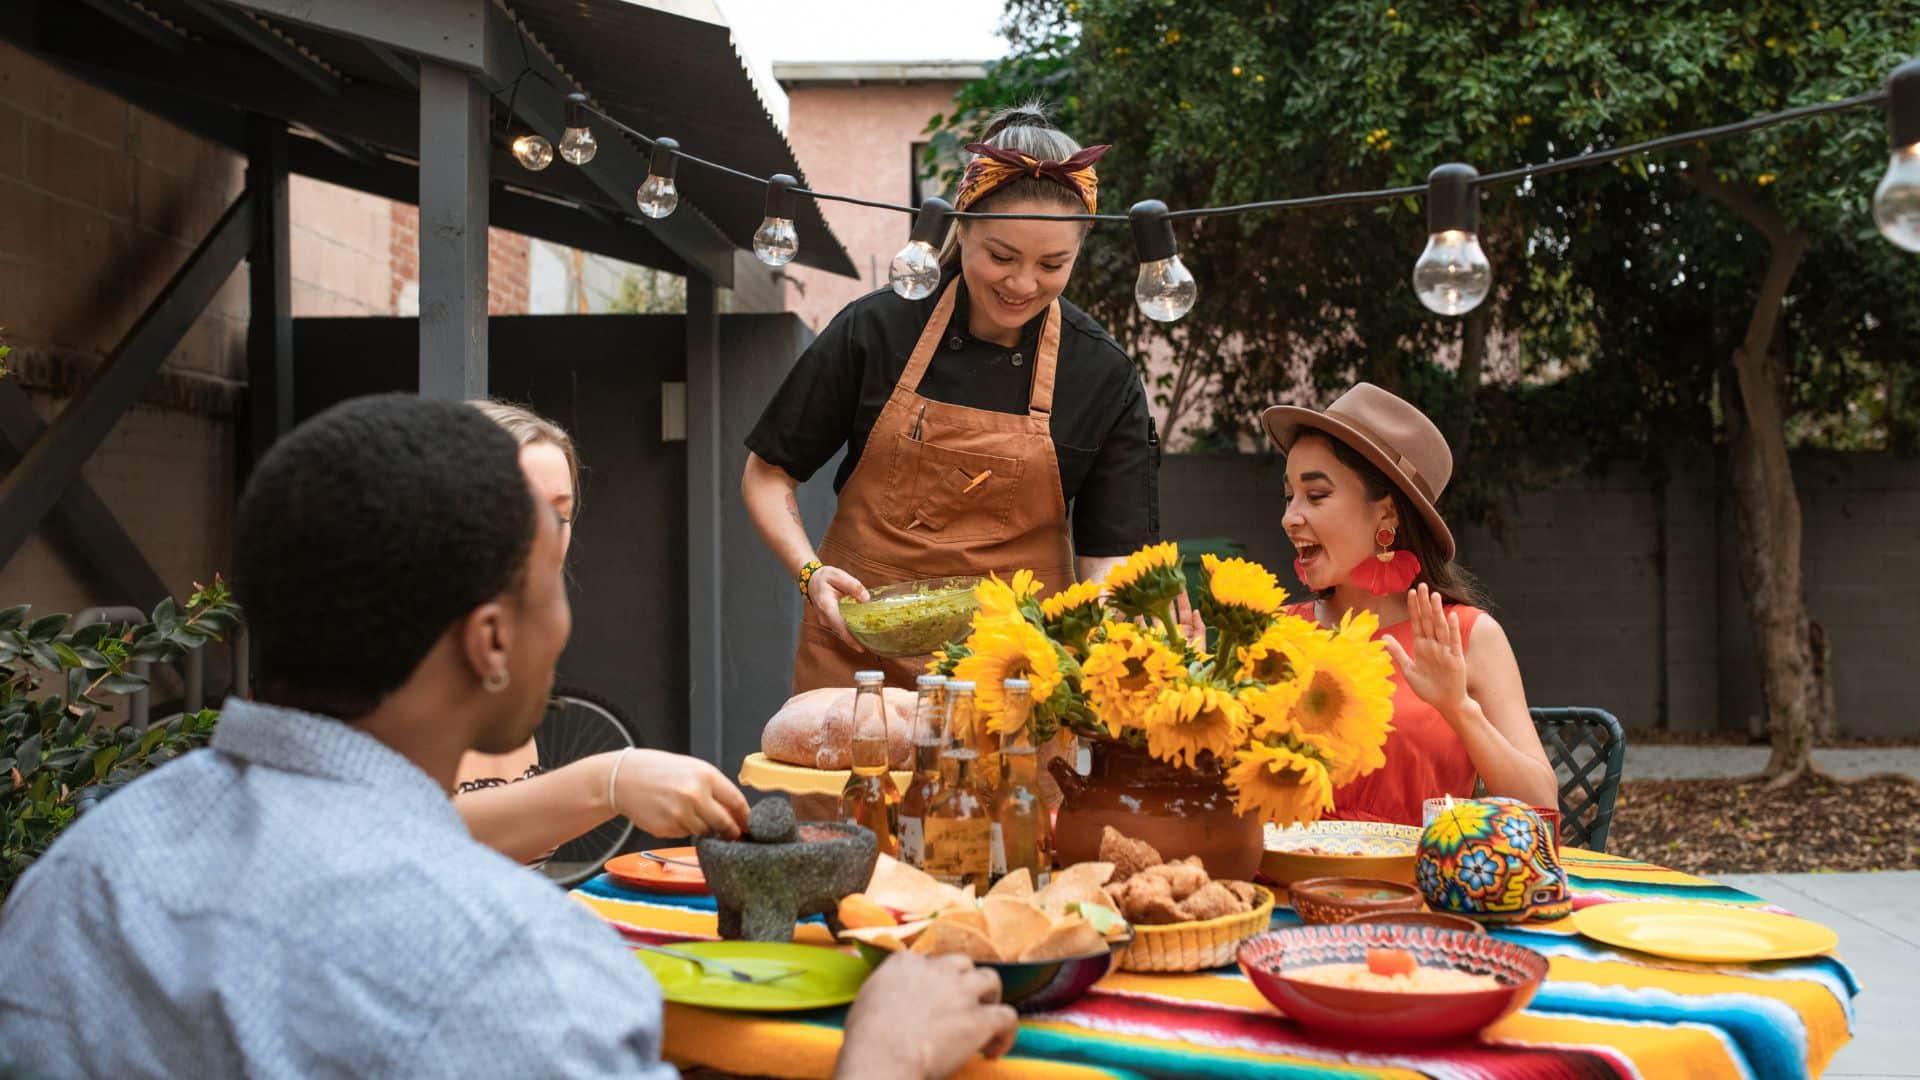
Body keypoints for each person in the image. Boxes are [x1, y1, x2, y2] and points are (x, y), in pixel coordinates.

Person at [0, 395, 1017, 1078]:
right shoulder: (513, 969)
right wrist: (879, 1060)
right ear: (489, 640)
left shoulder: (81, 875)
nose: (564, 616)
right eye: (547, 581)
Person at [743, 102, 1161, 692]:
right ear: (961, 227)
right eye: (1001, 256)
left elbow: (1110, 558)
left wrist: (1088, 639)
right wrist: (811, 574)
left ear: (1080, 250)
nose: (1022, 284)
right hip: (856, 669)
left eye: (1052, 264)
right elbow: (767, 474)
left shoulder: (1100, 373)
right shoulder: (879, 330)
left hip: (1016, 688)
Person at [456, 400, 749, 864]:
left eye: (562, 513)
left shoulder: (507, 661)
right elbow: (408, 833)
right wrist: (610, 782)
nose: (549, 532)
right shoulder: (411, 662)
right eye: (523, 506)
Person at [1261, 383, 1558, 824]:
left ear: (1387, 514)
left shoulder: (1470, 636)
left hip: (1417, 887)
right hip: (1283, 886)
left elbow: (1543, 807)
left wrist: (1457, 708)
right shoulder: (1276, 631)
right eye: (1289, 497)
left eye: (1316, 495)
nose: (1289, 518)